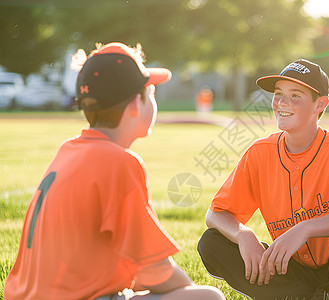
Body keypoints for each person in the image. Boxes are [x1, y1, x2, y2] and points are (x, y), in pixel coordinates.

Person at [4, 42, 224, 300]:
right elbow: (153, 271)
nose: (153, 99)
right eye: (150, 92)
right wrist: (188, 289)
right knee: (208, 298)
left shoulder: (69, 150)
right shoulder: (120, 162)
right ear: (135, 105)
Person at [197, 59, 329, 299]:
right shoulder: (259, 153)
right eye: (278, 94)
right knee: (212, 242)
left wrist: (305, 228)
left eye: (296, 95)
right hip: (299, 273)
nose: (282, 103)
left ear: (320, 104)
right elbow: (215, 214)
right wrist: (244, 235)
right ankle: (299, 297)